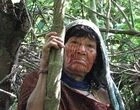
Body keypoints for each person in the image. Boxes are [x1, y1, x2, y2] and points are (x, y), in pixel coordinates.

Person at [17, 19, 125, 110]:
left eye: (90, 46)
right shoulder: (39, 80)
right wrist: (44, 69)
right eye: (74, 42)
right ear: (61, 49)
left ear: (97, 57)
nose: (81, 50)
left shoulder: (104, 95)